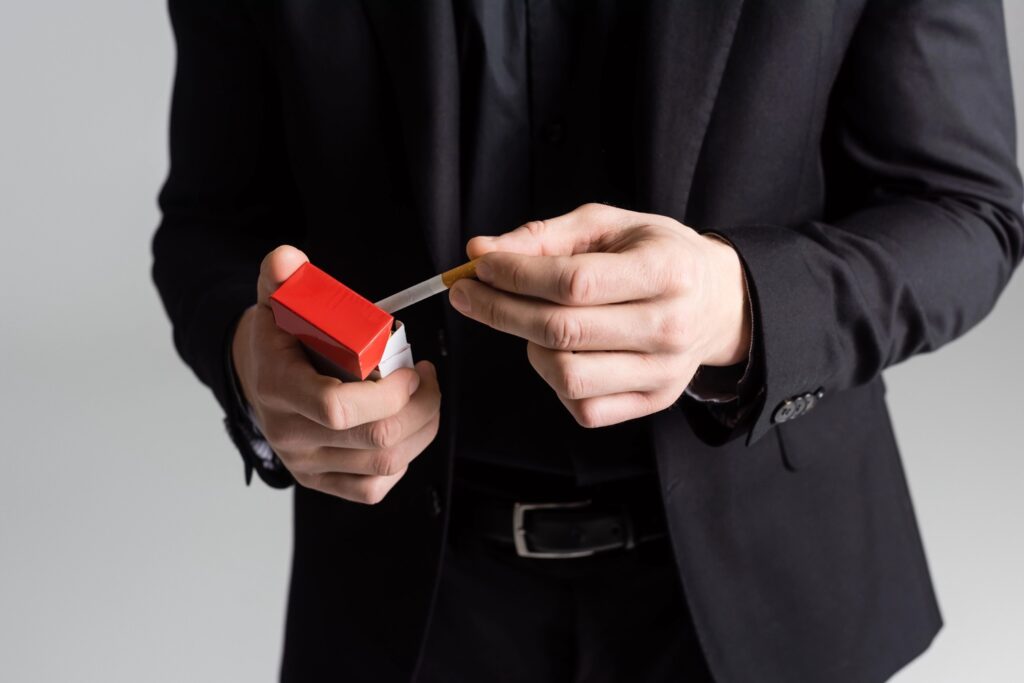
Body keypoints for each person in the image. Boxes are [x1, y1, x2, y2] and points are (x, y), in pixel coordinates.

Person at [152, 1, 1023, 681]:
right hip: (405, 603)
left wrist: (740, 303)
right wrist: (249, 361)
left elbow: (966, 210)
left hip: (772, 589)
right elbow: (211, 224)